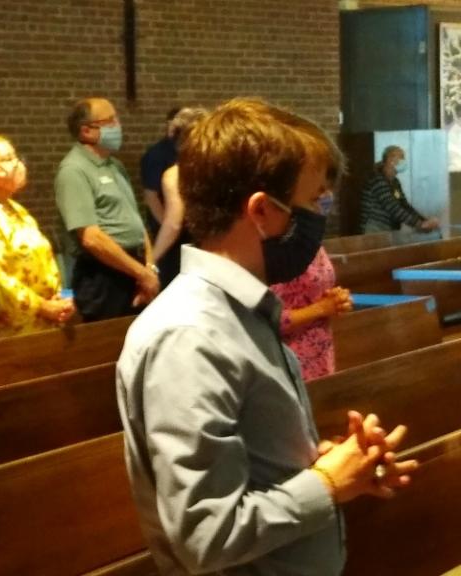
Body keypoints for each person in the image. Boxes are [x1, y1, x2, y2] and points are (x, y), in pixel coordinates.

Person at [117, 98, 418, 576]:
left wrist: (337, 463)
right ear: (261, 210)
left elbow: (250, 462)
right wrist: (325, 485)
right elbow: (205, 535)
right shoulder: (189, 337)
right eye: (315, 201)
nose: (321, 215)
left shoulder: (243, 311)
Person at [55, 97, 159, 322]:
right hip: (104, 277)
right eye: (110, 121)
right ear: (87, 131)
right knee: (110, 348)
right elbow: (92, 238)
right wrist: (141, 273)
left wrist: (149, 268)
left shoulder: (115, 165)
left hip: (134, 270)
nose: (118, 126)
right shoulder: (73, 171)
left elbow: (136, 221)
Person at [0, 135, 75, 338]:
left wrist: (64, 298)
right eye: (7, 159)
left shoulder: (18, 211)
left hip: (48, 323)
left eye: (16, 156)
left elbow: (47, 260)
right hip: (14, 331)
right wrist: (42, 307)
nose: (17, 164)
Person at [271, 219, 352, 380]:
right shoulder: (269, 250)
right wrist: (321, 308)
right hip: (288, 357)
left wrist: (336, 299)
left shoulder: (309, 239)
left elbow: (319, 286)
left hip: (321, 350)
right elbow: (264, 319)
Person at [152, 107, 208, 288]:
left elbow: (173, 223)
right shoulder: (225, 169)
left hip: (185, 256)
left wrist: (151, 260)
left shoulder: (176, 174)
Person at [360, 145, 440, 234]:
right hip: (375, 229)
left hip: (388, 229)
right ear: (391, 160)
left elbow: (404, 205)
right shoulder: (378, 179)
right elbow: (392, 207)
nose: (404, 161)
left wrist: (424, 221)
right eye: (401, 157)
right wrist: (419, 224)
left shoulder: (395, 182)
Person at [140, 107, 180, 235]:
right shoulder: (156, 155)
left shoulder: (185, 152)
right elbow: (151, 197)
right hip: (167, 226)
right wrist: (167, 226)